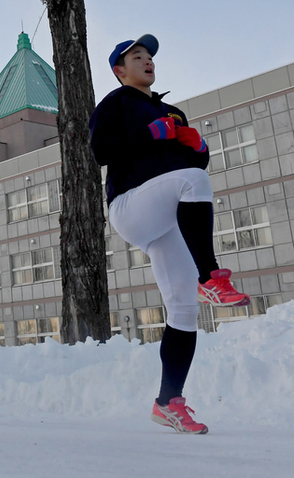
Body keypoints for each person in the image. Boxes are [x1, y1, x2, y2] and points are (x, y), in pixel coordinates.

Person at [89, 34, 251, 435]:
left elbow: (188, 161)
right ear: (119, 70)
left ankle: (168, 403)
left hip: (165, 217)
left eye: (150, 57)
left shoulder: (172, 111)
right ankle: (210, 276)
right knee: (193, 181)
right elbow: (100, 152)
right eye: (137, 56)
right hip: (129, 206)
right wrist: (151, 135)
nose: (147, 61)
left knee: (182, 311)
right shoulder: (115, 102)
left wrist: (198, 147)